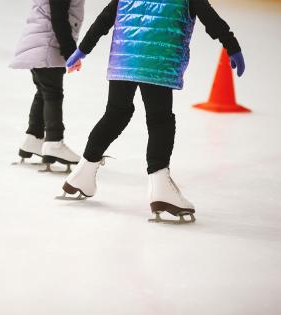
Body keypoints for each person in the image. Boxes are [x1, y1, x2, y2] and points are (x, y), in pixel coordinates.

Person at [59, 0, 245, 223]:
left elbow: (106, 17)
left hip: (125, 58)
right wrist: (231, 45)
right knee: (160, 121)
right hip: (158, 60)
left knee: (116, 114)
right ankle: (161, 189)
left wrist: (82, 50)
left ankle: (82, 175)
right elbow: (210, 18)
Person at [10, 0, 85, 170]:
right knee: (52, 93)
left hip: (40, 43)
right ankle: (54, 141)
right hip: (47, 45)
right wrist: (70, 53)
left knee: (44, 91)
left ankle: (34, 138)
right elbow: (58, 18)